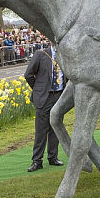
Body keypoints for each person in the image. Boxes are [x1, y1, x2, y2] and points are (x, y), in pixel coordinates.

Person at [24, 44, 65, 172]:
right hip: (44, 97)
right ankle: (37, 160)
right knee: (41, 130)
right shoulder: (40, 54)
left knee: (56, 127)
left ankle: (53, 157)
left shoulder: (64, 54)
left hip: (59, 95)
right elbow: (28, 75)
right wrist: (38, 89)